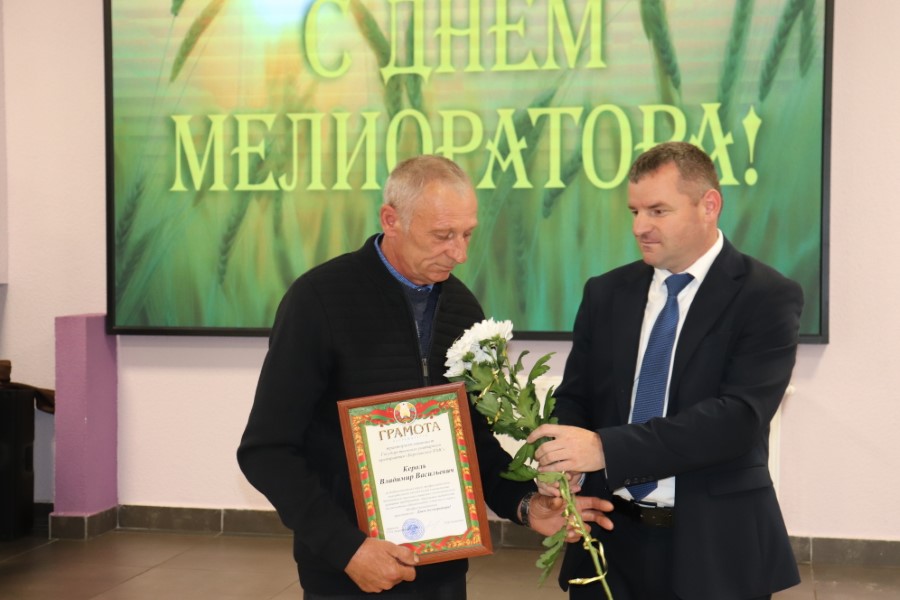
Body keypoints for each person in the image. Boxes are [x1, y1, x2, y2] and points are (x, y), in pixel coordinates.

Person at [237, 155, 612, 599]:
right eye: (443, 235)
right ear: (391, 220)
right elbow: (267, 451)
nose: (460, 253)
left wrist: (526, 505)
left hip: (443, 571)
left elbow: (474, 442)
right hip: (349, 572)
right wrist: (347, 549)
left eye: (467, 234)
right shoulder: (318, 300)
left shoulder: (462, 309)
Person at [527, 142, 803, 599]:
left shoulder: (766, 296)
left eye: (658, 211)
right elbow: (576, 396)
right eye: (635, 211)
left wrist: (604, 449)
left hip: (715, 546)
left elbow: (737, 419)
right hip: (608, 541)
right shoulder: (605, 293)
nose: (640, 227)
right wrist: (561, 462)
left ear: (709, 205)